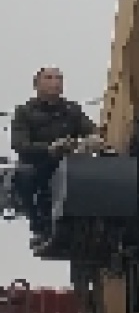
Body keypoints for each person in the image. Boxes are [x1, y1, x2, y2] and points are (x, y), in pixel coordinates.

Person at [10, 67, 98, 232]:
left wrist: (92, 141)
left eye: (59, 78)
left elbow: (92, 131)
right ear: (36, 84)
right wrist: (49, 148)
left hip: (69, 164)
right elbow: (19, 144)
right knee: (24, 175)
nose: (55, 82)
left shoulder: (72, 110)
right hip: (39, 166)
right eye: (49, 78)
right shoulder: (24, 112)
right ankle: (37, 219)